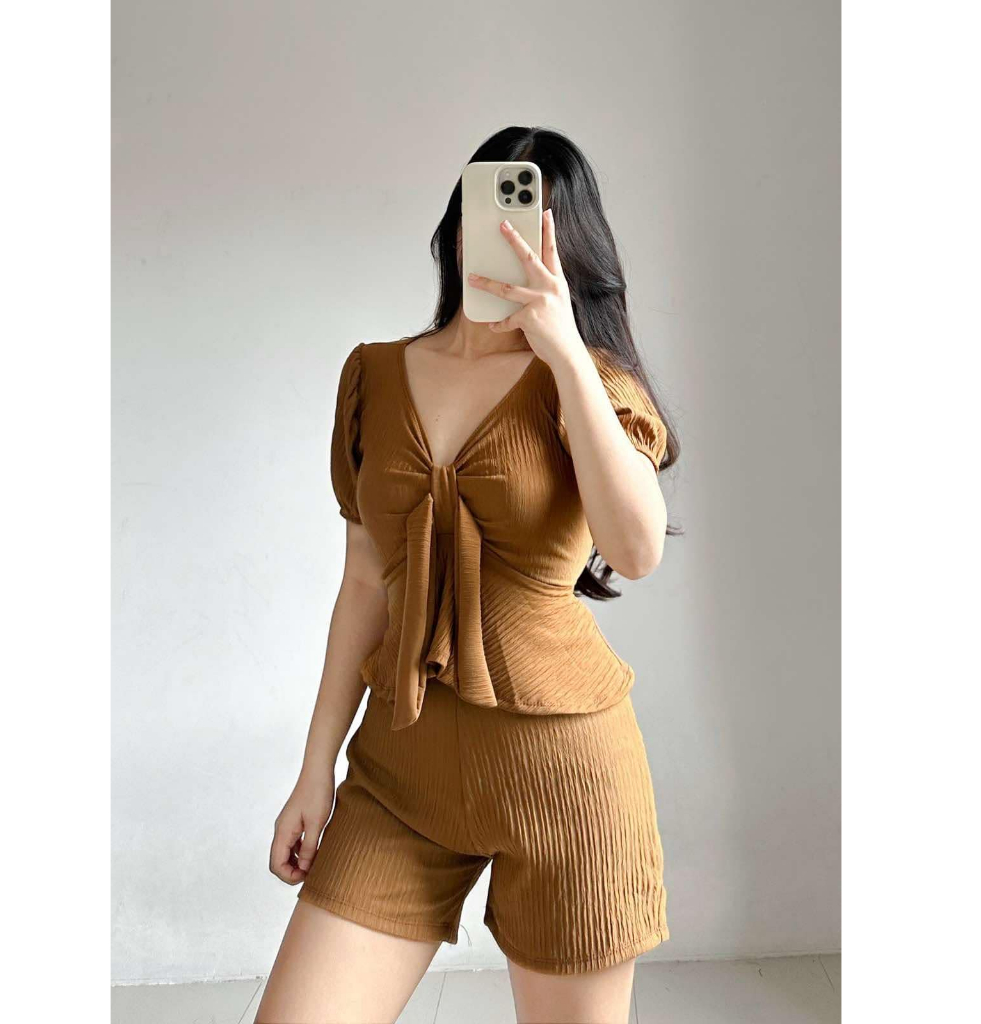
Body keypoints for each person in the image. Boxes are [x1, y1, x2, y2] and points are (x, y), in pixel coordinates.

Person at [255, 126, 681, 1024]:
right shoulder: (374, 376)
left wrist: (566, 355)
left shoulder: (591, 383)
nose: (510, 241)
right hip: (399, 777)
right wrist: (314, 770)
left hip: (567, 782)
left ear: (571, 250)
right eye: (493, 214)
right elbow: (363, 588)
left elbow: (637, 552)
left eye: (536, 226)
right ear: (459, 226)